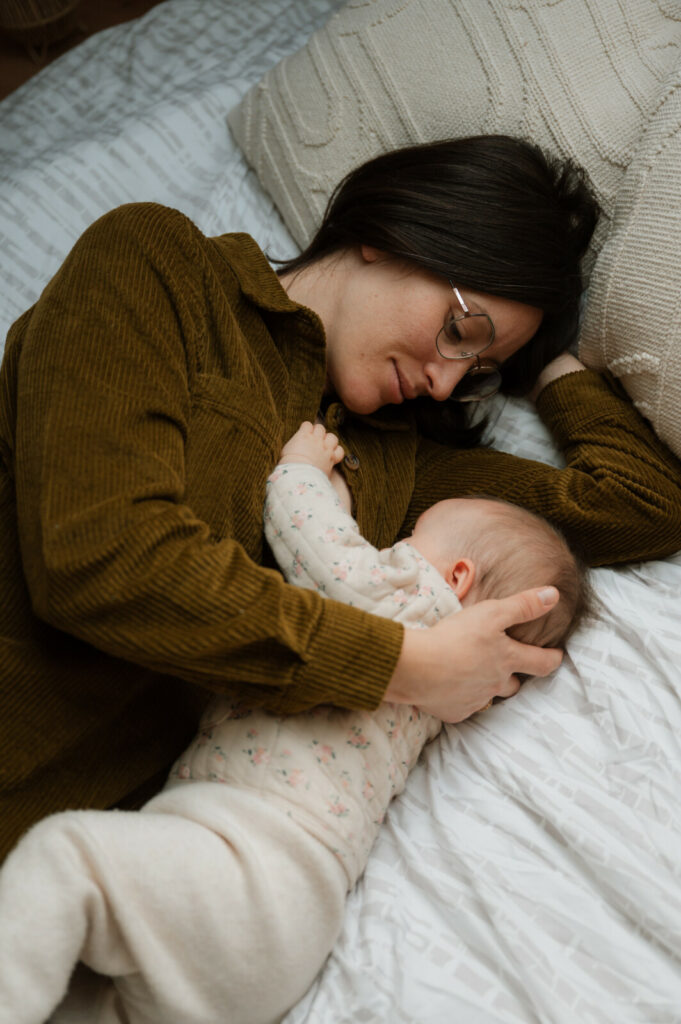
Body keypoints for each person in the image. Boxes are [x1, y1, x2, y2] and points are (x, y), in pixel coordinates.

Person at [1, 134, 680, 862]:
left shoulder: (395, 464)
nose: (446, 383)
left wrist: (544, 359)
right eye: (461, 330)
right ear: (394, 232)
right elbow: (100, 558)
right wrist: (409, 666)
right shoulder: (158, 265)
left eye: (479, 368)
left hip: (64, 873)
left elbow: (637, 503)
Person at [0, 420, 588, 1024]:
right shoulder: (450, 698)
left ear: (455, 578)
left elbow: (317, 546)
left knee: (63, 859)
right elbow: (339, 566)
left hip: (246, 866)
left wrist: (304, 467)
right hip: (290, 934)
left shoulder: (411, 603)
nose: (391, 549)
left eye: (414, 537)